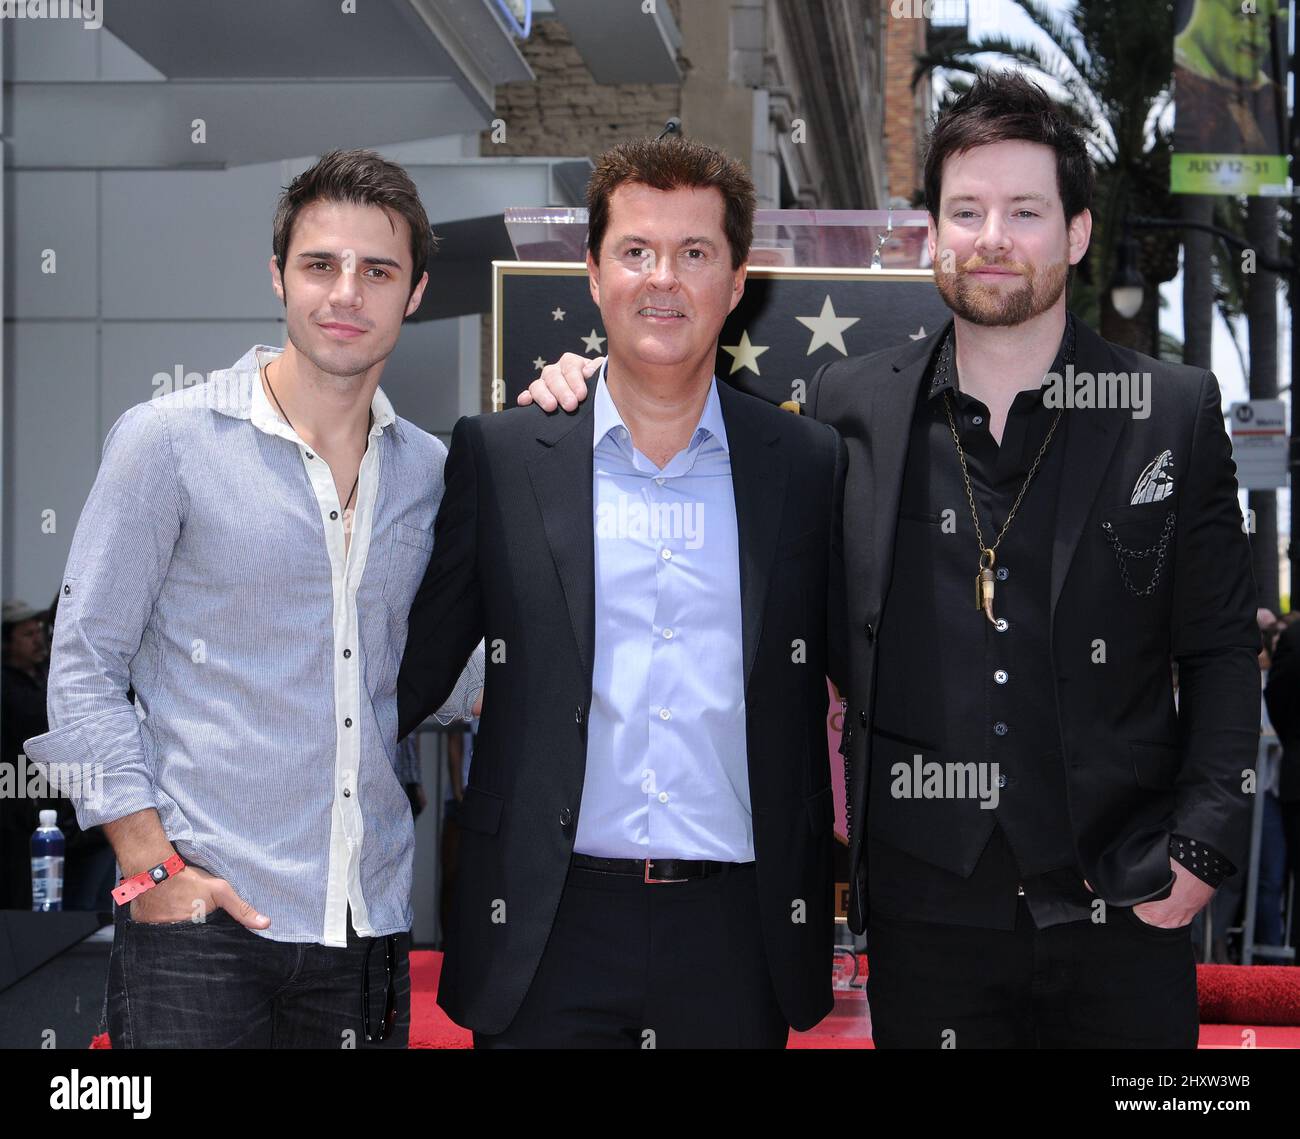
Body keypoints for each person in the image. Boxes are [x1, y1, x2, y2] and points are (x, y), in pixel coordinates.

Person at [525, 73, 1260, 1048]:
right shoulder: (847, 404)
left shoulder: (1167, 409)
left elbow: (1216, 650)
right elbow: (733, 533)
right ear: (930, 238)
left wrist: (1203, 847)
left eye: (1024, 211)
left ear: (1075, 235)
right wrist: (588, 389)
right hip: (926, 915)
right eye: (966, 211)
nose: (992, 236)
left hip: (1124, 898)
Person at [23, 149, 483, 1048]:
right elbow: (79, 665)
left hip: (366, 926)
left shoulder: (435, 474)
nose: (346, 292)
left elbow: (450, 677)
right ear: (278, 276)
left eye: (377, 270)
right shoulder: (169, 443)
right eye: (321, 264)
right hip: (201, 930)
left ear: (415, 292)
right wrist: (145, 866)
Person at [398, 135, 846, 1048]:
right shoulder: (504, 456)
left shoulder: (807, 467)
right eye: (636, 252)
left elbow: (867, 676)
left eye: (694, 254)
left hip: (735, 938)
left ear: (736, 281)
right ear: (594, 274)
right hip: (544, 932)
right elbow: (404, 675)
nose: (662, 280)